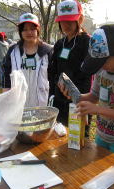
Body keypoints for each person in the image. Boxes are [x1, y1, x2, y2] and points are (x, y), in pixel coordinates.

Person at [61, 24, 114, 162]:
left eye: (103, 61)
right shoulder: (102, 70)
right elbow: (93, 97)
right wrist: (74, 95)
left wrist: (97, 110)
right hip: (101, 136)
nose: (100, 66)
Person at [49, 0, 92, 133]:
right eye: (63, 21)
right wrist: (55, 90)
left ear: (80, 19)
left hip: (78, 101)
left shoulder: (87, 42)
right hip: (59, 100)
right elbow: (52, 70)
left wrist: (77, 97)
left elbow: (88, 76)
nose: (66, 25)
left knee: (77, 138)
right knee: (59, 135)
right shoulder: (59, 44)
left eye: (70, 20)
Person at [2, 13, 52, 107]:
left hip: (42, 103)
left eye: (32, 29)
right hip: (18, 104)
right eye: (25, 29)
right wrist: (5, 97)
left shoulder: (47, 51)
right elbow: (6, 76)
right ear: (20, 32)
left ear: (38, 30)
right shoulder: (13, 51)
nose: (29, 32)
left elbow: (52, 77)